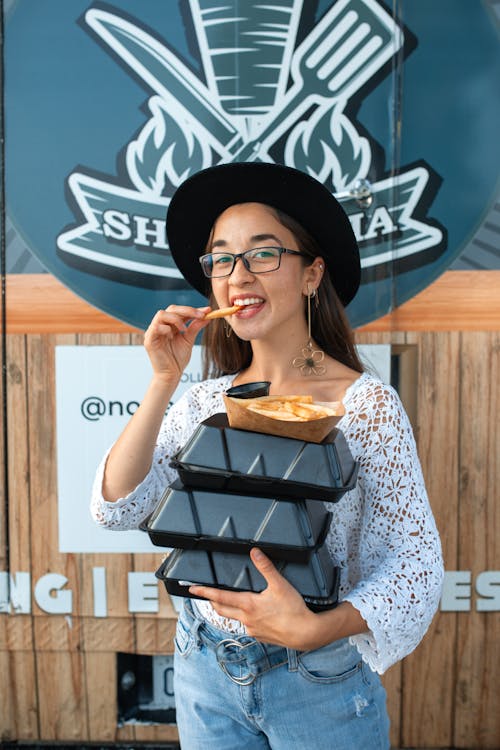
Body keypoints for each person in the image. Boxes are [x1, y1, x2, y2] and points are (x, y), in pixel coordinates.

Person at [91, 162, 444, 750]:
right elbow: (116, 509)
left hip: (317, 679)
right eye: (222, 258)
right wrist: (162, 380)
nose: (237, 274)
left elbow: (416, 565)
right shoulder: (202, 400)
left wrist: (317, 628)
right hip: (204, 665)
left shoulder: (366, 407)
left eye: (262, 253)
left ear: (312, 274)